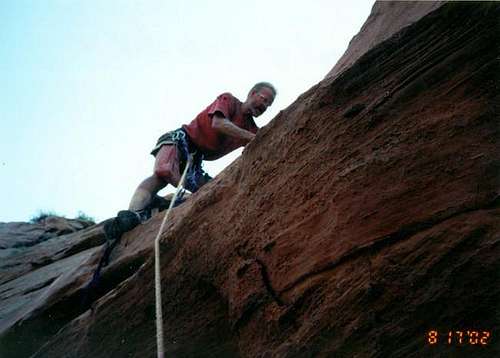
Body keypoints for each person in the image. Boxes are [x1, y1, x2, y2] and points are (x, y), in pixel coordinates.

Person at [127, 81, 277, 220]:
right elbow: (218, 123)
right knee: (164, 171)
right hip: (182, 140)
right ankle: (132, 214)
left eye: (268, 105)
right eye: (264, 99)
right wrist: (253, 137)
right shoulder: (229, 100)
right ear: (252, 94)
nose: (265, 106)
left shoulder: (252, 128)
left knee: (211, 194)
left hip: (196, 159)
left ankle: (163, 203)